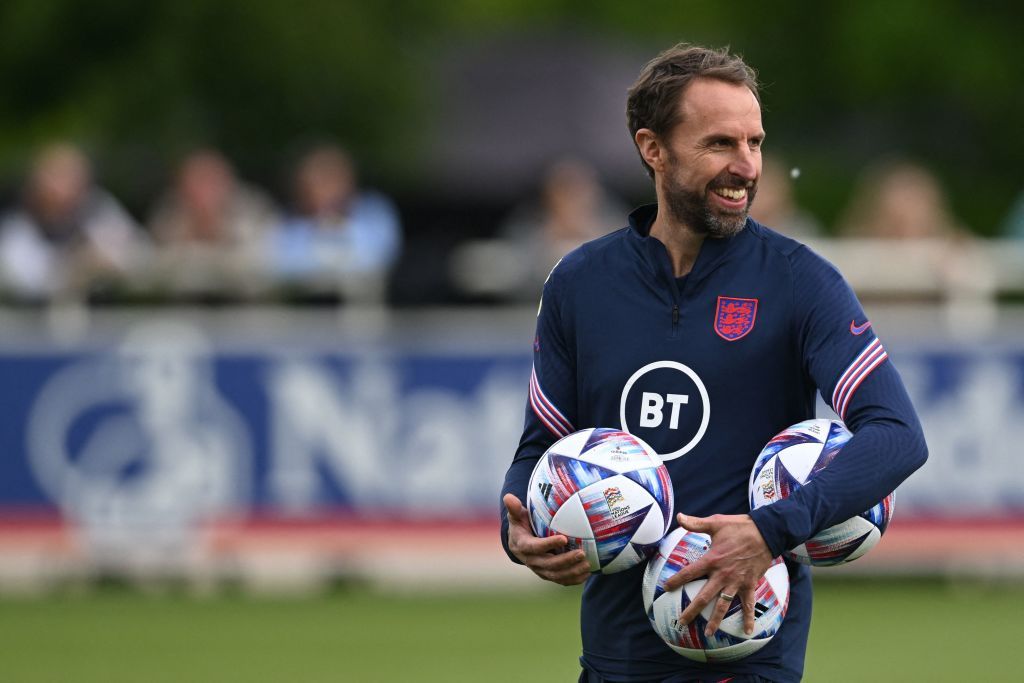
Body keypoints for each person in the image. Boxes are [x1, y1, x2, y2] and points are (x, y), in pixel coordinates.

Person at [500, 43, 927, 682]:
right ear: (653, 149)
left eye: (754, 143)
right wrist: (519, 529)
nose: (746, 166)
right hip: (615, 655)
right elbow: (540, 450)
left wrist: (769, 529)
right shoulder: (580, 283)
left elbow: (898, 437)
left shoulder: (799, 281)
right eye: (720, 144)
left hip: (750, 648)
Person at [0, 142, 145, 300]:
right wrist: (74, 267)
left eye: (72, 175)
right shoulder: (19, 224)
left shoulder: (99, 210)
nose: (64, 186)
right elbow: (24, 279)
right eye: (57, 175)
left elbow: (139, 255)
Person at [264, 144, 402, 303]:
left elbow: (376, 257)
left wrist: (334, 229)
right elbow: (277, 267)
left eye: (327, 182)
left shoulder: (374, 212)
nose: (319, 193)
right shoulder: (287, 222)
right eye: (310, 186)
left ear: (347, 182)